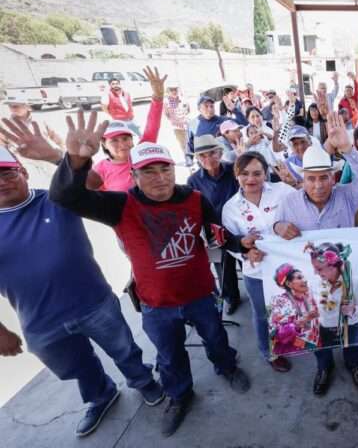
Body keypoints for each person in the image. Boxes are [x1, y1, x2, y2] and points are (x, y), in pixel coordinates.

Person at [49, 113, 257, 437]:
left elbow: (217, 234)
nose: (159, 178)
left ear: (175, 170)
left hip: (201, 293)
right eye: (149, 171)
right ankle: (180, 395)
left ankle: (227, 367)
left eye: (165, 169)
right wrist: (76, 161)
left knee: (216, 338)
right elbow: (65, 197)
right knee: (169, 355)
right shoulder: (119, 205)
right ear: (133, 175)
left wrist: (240, 246)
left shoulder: (195, 199)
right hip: (156, 304)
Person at [0, 145, 165, 438]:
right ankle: (101, 396)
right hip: (40, 322)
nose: (2, 181)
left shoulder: (56, 197)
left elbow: (94, 184)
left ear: (23, 172)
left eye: (7, 173)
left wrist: (54, 155)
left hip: (93, 303)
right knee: (73, 366)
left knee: (124, 349)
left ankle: (143, 381)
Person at [272, 112, 358, 395]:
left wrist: (348, 149)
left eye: (324, 178)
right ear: (303, 178)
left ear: (333, 176)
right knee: (319, 328)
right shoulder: (289, 202)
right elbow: (274, 229)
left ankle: (354, 364)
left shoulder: (346, 195)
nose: (318, 185)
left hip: (346, 279)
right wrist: (278, 225)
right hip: (312, 282)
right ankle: (324, 366)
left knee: (351, 324)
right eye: (311, 178)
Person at [222, 151, 295, 371]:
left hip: (289, 264)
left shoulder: (282, 191)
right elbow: (230, 242)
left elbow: (304, 204)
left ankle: (292, 339)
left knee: (291, 306)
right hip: (256, 272)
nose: (251, 179)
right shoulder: (230, 207)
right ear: (236, 175)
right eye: (244, 174)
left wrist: (296, 182)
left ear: (266, 173)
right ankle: (268, 352)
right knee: (262, 314)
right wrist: (245, 253)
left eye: (257, 173)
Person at [188, 134, 242, 315]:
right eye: (202, 156)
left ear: (220, 153)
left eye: (212, 153)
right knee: (225, 271)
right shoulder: (193, 181)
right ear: (197, 159)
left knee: (248, 263)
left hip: (239, 226)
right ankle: (232, 298)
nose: (208, 159)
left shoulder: (233, 170)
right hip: (214, 231)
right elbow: (193, 209)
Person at [88, 67, 165, 192]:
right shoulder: (101, 169)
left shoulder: (141, 154)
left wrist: (158, 97)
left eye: (125, 138)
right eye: (114, 140)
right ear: (104, 143)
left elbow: (152, 126)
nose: (122, 144)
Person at [269, 264, 320, 356]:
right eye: (299, 278)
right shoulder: (281, 301)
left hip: (313, 339)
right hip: (294, 345)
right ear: (288, 284)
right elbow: (278, 334)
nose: (305, 280)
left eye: (303, 277)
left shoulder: (308, 294)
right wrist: (302, 320)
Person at [186, 95, 243, 164]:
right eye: (206, 106)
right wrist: (189, 160)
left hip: (224, 161)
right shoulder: (193, 124)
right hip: (205, 162)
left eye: (211, 106)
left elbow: (244, 123)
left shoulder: (222, 120)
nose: (210, 109)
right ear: (199, 109)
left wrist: (234, 109)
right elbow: (190, 144)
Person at [162, 82, 191, 160]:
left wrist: (186, 108)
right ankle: (188, 159)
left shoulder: (182, 98)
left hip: (186, 124)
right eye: (172, 90)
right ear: (168, 91)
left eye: (175, 89)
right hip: (177, 127)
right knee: (183, 144)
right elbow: (167, 115)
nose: (174, 91)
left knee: (191, 142)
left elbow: (188, 110)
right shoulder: (166, 102)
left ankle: (195, 157)